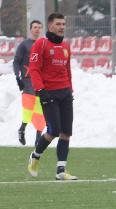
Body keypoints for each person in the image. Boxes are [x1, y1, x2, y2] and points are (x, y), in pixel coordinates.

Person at [26, 13, 78, 181]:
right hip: (48, 93)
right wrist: (40, 90)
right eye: (58, 24)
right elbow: (34, 69)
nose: (62, 27)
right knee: (53, 131)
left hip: (65, 93)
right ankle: (35, 155)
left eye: (63, 23)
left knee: (66, 132)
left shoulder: (66, 46)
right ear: (50, 26)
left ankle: (61, 171)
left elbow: (67, 69)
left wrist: (70, 89)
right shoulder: (41, 44)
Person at [12, 20, 45, 146]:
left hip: (41, 81)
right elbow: (16, 62)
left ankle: (38, 138)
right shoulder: (24, 45)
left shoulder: (44, 44)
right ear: (31, 29)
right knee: (29, 107)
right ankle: (22, 129)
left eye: (39, 27)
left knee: (41, 108)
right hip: (28, 79)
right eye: (35, 27)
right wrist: (17, 77)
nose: (37, 29)